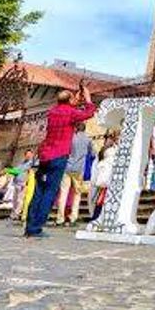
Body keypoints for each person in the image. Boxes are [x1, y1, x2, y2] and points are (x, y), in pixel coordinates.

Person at [25, 86, 96, 237]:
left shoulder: (53, 112)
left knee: (38, 192)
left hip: (45, 155)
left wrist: (73, 100)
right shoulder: (70, 113)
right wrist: (88, 98)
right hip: (59, 156)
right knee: (50, 192)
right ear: (69, 100)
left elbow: (67, 110)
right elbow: (89, 113)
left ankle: (29, 226)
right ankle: (36, 228)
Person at [56, 124, 92, 226]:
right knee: (77, 194)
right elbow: (92, 153)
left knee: (63, 193)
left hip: (67, 167)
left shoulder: (70, 138)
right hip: (79, 169)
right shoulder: (88, 140)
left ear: (76, 129)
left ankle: (60, 218)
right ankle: (73, 217)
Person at [91, 133, 118, 222]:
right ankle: (97, 217)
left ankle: (97, 216)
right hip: (107, 179)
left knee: (101, 199)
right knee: (101, 200)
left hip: (105, 179)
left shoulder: (106, 151)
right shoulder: (109, 152)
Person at [10, 150, 36, 221]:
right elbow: (16, 170)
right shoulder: (22, 163)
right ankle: (13, 213)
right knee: (15, 200)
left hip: (23, 183)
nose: (28, 156)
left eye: (30, 154)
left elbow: (27, 172)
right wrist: (9, 171)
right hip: (17, 183)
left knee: (20, 200)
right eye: (27, 154)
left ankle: (16, 214)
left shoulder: (32, 164)